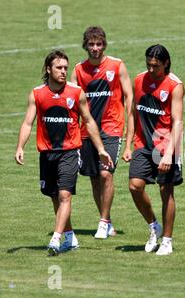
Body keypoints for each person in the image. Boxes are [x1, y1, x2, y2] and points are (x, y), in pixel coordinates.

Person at [15, 49, 113, 256]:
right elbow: (27, 123)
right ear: (48, 69)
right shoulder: (37, 94)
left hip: (70, 151)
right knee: (54, 196)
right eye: (58, 67)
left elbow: (88, 121)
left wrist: (101, 149)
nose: (63, 71)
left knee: (64, 195)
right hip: (47, 153)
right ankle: (69, 236)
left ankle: (56, 238)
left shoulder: (76, 93)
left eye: (65, 68)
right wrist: (20, 147)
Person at [70, 26, 133, 239]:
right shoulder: (79, 70)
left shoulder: (116, 66)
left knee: (106, 173)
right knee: (95, 178)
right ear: (85, 45)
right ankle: (107, 221)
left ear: (104, 44)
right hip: (87, 131)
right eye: (91, 44)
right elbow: (71, 102)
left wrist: (129, 132)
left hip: (112, 127)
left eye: (98, 44)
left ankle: (103, 221)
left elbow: (129, 97)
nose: (95, 48)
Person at [122, 44, 184, 256]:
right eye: (148, 64)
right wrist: (128, 143)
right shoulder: (139, 80)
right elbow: (132, 113)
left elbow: (177, 122)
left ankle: (166, 240)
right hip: (142, 145)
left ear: (165, 63)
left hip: (165, 146)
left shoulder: (175, 86)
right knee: (134, 186)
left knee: (166, 191)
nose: (151, 69)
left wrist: (169, 153)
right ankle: (153, 226)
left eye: (155, 66)